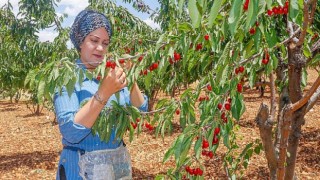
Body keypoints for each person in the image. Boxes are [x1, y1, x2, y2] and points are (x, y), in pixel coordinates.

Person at [53, 9, 148, 180]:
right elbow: (71, 132)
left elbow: (141, 110)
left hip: (116, 168)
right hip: (80, 170)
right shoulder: (67, 78)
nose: (100, 48)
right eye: (94, 40)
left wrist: (131, 79)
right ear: (80, 41)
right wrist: (104, 92)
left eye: (105, 43)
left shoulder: (111, 74)